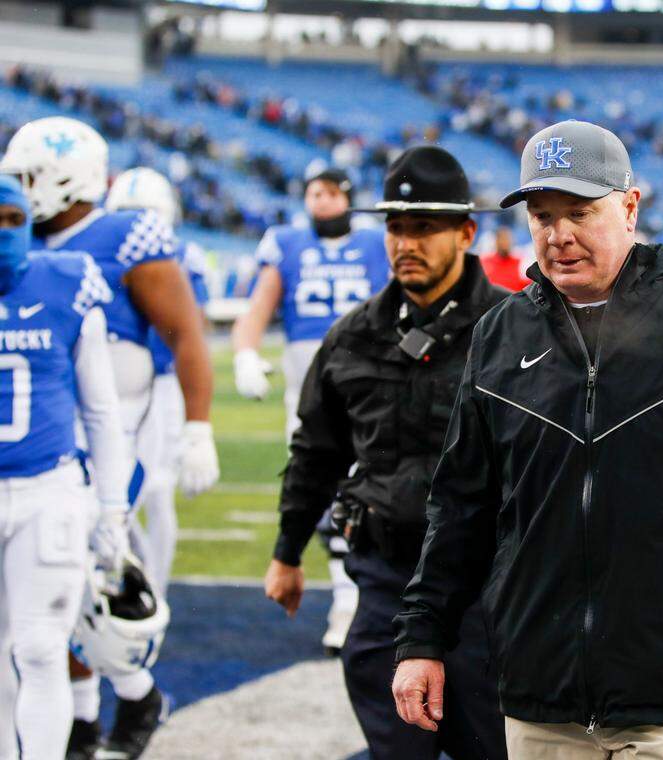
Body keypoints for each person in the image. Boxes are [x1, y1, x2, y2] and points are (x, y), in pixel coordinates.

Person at [392, 120, 663, 759]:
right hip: (540, 685)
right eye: (542, 216)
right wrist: (422, 638)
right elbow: (461, 506)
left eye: (580, 211)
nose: (559, 234)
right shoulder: (501, 335)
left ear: (629, 207)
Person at [263, 146, 509, 760]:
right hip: (386, 586)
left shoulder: (518, 331)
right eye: (397, 227)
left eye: (425, 228)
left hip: (489, 593)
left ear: (466, 232)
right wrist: (287, 552)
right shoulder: (354, 336)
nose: (407, 243)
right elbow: (316, 452)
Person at [0, 115, 218, 760]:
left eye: (30, 176)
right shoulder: (20, 237)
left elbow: (185, 333)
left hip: (117, 424)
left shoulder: (125, 232)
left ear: (71, 174)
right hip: (43, 429)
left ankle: (128, 694)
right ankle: (89, 716)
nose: (21, 188)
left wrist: (198, 427)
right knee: (44, 607)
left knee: (89, 583)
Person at [0, 176, 130, 760]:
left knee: (41, 648)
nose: (3, 232)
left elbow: (102, 410)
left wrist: (113, 509)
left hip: (47, 489)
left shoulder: (65, 279)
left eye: (12, 218)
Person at [233, 167, 388, 654]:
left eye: (330, 192)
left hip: (370, 380)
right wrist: (245, 352)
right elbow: (260, 306)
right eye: (313, 192)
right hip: (308, 384)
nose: (320, 201)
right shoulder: (286, 243)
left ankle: (366, 596)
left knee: (369, 492)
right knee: (320, 489)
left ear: (347, 196)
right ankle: (345, 599)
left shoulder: (375, 244)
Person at [104, 166, 210, 595]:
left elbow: (190, 327)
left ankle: (155, 589)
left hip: (162, 385)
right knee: (122, 497)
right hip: (123, 383)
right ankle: (134, 580)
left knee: (154, 490)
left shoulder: (181, 255)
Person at [480, 225, 529, 291]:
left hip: (514, 300)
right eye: (502, 239)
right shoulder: (485, 262)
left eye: (507, 239)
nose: (505, 242)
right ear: (496, 241)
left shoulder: (521, 263)